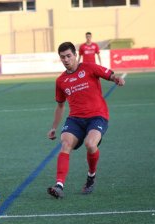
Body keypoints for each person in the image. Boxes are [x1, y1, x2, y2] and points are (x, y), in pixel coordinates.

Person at [47, 41, 125, 199]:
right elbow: (60, 106)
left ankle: (91, 177)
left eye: (69, 56)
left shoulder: (89, 67)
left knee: (90, 144)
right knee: (65, 144)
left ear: (75, 55)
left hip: (98, 116)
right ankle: (59, 185)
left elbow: (109, 75)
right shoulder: (60, 81)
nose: (66, 59)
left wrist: (116, 78)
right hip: (75, 119)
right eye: (62, 57)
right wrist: (54, 127)